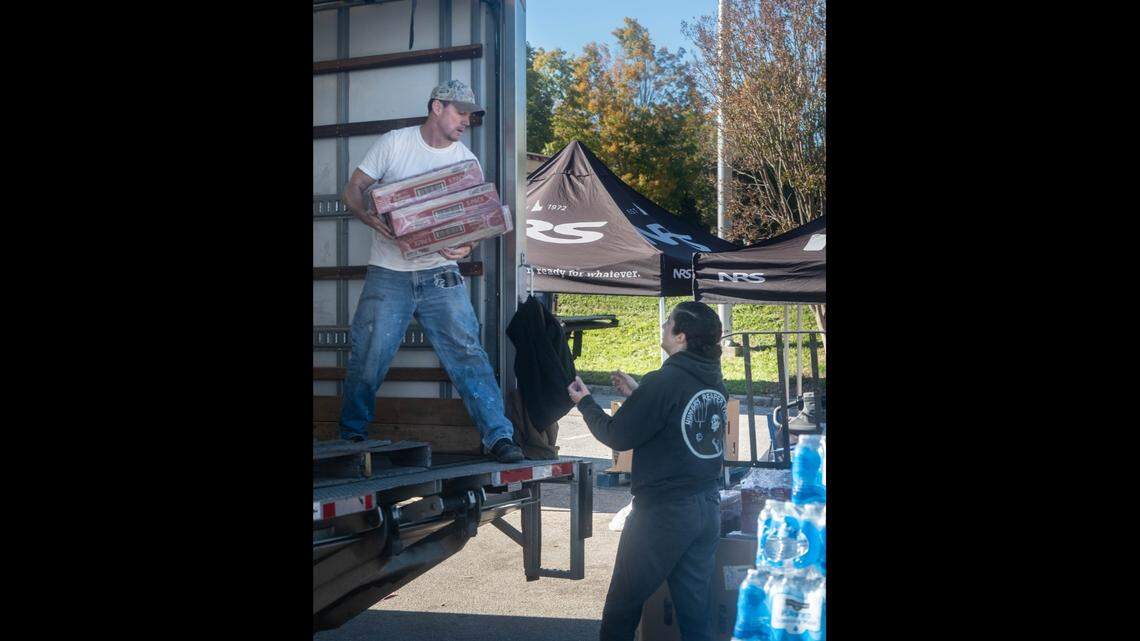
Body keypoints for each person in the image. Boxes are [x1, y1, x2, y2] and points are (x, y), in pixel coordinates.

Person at [338, 80, 524, 463]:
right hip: (389, 271)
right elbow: (353, 190)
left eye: (471, 115)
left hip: (440, 272)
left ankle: (499, 437)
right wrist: (368, 217)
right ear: (437, 107)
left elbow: (472, 224)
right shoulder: (395, 143)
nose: (466, 122)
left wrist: (466, 245)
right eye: (461, 112)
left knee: (467, 352)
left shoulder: (465, 161)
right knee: (369, 354)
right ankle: (351, 437)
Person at [567, 301, 728, 641]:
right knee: (695, 614)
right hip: (706, 507)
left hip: (663, 513)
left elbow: (617, 435)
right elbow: (681, 417)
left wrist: (585, 402)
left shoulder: (665, 380)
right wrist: (641, 394)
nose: (663, 326)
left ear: (680, 336)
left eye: (668, 322)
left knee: (622, 608)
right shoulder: (713, 379)